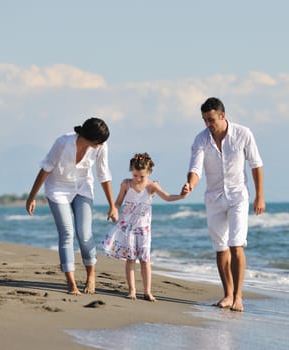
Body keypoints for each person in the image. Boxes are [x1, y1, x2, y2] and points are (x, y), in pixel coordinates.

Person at [181, 97, 265, 312]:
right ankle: (227, 294)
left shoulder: (243, 134)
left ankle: (238, 296)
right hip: (214, 198)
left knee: (236, 244)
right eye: (204, 120)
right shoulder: (200, 140)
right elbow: (196, 168)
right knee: (220, 248)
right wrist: (190, 184)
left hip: (238, 196)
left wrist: (259, 196)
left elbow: (256, 165)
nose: (208, 124)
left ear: (222, 115)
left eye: (211, 120)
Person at [26, 117, 118, 296]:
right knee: (67, 232)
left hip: (83, 188)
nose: (100, 145)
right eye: (98, 142)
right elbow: (46, 168)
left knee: (84, 234)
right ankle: (71, 283)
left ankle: (91, 276)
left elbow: (103, 175)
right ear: (90, 138)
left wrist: (112, 205)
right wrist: (32, 197)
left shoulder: (100, 147)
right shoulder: (63, 142)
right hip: (58, 189)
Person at [102, 152, 186, 301]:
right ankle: (132, 290)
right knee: (130, 259)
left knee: (145, 260)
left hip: (144, 230)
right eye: (135, 175)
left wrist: (181, 196)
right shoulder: (126, 184)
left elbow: (167, 197)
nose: (138, 179)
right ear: (131, 171)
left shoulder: (151, 186)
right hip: (127, 229)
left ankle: (147, 291)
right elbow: (118, 202)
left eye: (142, 176)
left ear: (148, 173)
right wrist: (113, 210)